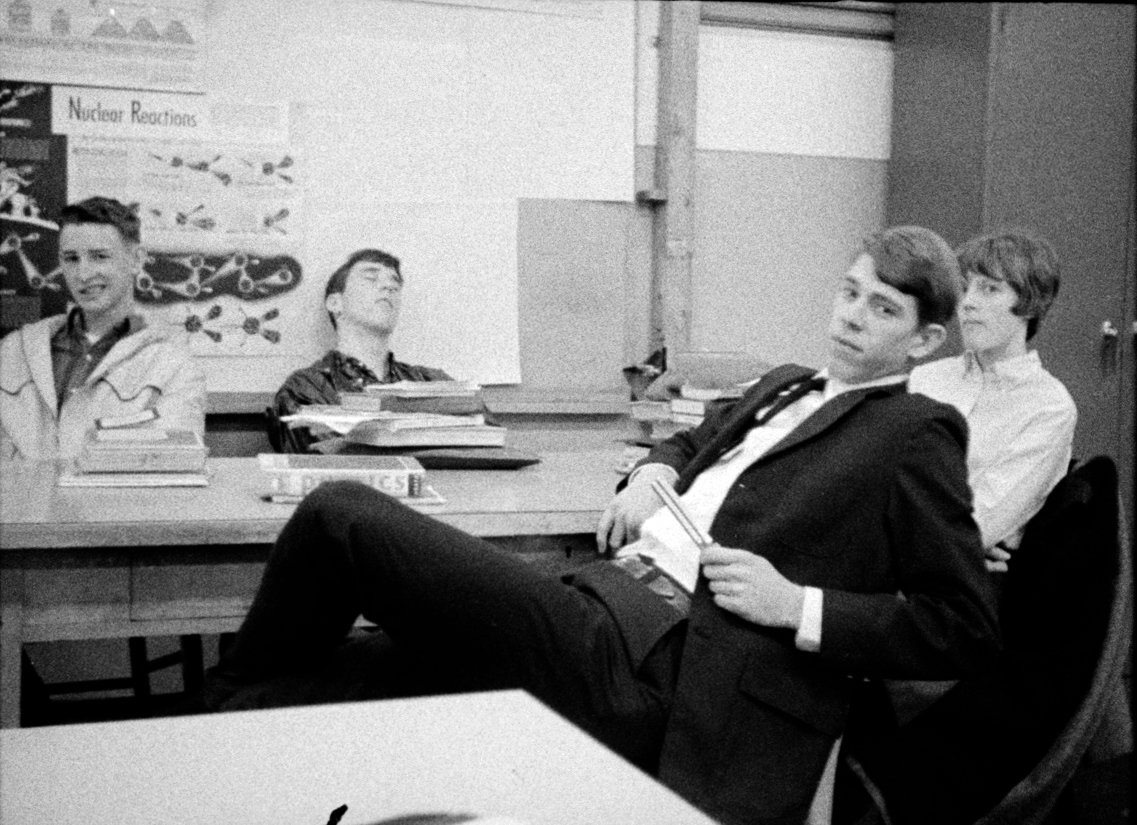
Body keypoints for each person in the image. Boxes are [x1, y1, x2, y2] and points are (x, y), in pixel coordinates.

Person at [202, 226, 1001, 825]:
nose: (852, 316)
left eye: (882, 308)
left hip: (667, 669)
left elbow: (962, 626)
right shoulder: (786, 384)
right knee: (342, 673)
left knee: (341, 516)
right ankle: (211, 747)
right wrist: (655, 469)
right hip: (601, 597)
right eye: (849, 292)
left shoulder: (915, 432)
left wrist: (797, 605)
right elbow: (690, 440)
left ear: (924, 339)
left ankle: (214, 718)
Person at [909, 231, 1076, 573]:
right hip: (906, 563)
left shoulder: (1049, 408)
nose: (967, 303)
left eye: (989, 289)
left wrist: (961, 544)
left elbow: (977, 526)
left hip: (961, 586)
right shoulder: (925, 378)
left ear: (1031, 303)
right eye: (964, 288)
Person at [0, 196, 205, 461]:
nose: (83, 274)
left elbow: (172, 468)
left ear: (137, 260)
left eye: (99, 257)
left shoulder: (174, 366)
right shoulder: (13, 350)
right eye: (71, 258)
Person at [272, 248, 456, 452]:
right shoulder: (304, 389)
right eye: (371, 278)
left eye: (395, 282)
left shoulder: (432, 382)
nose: (388, 286)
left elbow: (480, 451)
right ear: (335, 303)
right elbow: (326, 461)